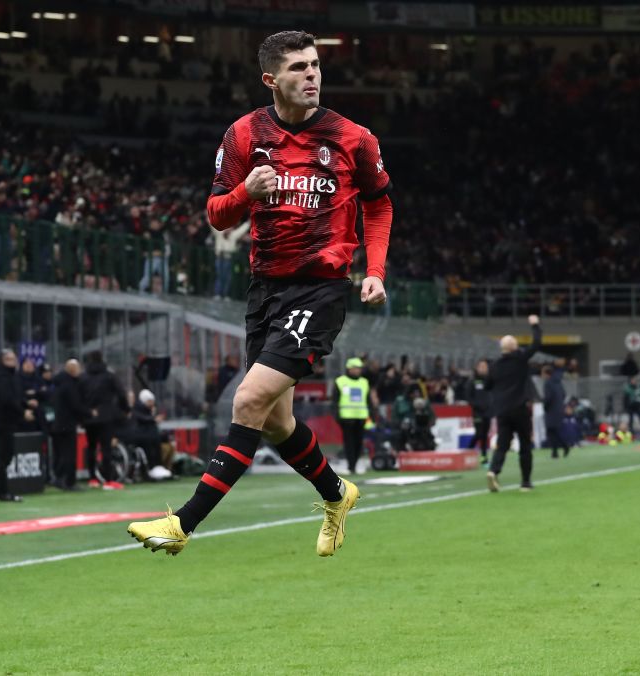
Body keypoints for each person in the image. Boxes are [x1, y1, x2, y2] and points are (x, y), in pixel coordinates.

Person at [129, 30, 392, 557]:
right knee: (275, 421)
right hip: (265, 288)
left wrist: (375, 269)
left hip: (320, 289)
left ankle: (182, 524)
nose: (312, 75)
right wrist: (245, 193)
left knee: (248, 400)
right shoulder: (245, 134)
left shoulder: (352, 138)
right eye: (299, 68)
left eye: (315, 65)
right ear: (272, 79)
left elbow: (379, 204)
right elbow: (215, 215)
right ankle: (337, 494)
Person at [486, 315, 542, 493]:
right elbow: (536, 344)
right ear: (515, 347)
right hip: (520, 407)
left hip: (502, 409)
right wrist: (535, 325)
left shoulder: (494, 366)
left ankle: (493, 470)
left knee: (502, 444)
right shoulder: (520, 360)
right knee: (525, 445)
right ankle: (525, 482)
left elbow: (487, 385)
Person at [0, 349, 37, 502]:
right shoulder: (2, 377)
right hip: (2, 421)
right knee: (4, 456)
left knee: (5, 456)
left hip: (7, 421)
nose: (13, 361)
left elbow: (14, 396)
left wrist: (25, 403)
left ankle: (0, 490)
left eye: (14, 358)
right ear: (2, 361)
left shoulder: (10, 377)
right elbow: (7, 399)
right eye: (8, 359)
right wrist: (23, 412)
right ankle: (2, 491)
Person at [80, 351, 129, 489]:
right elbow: (121, 393)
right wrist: (125, 409)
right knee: (106, 448)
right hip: (106, 416)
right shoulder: (109, 376)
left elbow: (79, 397)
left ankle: (92, 479)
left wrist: (86, 413)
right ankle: (108, 480)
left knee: (91, 447)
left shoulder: (83, 377)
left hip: (89, 418)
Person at [49, 359, 87, 490]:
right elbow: (76, 405)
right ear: (72, 370)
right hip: (67, 424)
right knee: (69, 454)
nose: (80, 371)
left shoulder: (59, 383)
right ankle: (69, 481)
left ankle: (59, 478)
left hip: (58, 424)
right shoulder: (69, 385)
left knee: (61, 453)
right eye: (78, 368)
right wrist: (89, 413)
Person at [332, 357, 372, 474]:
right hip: (346, 418)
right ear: (349, 369)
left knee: (359, 443)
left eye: (359, 368)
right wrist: (337, 416)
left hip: (361, 417)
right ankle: (351, 466)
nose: (358, 370)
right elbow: (335, 400)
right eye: (355, 368)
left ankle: (354, 464)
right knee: (349, 443)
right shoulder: (340, 381)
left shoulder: (364, 382)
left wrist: (371, 415)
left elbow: (368, 400)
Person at [465, 359, 492, 465]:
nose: (483, 368)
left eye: (485, 366)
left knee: (485, 435)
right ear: (477, 367)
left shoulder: (489, 381)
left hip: (488, 411)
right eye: (481, 366)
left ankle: (484, 457)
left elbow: (492, 394)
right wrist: (477, 406)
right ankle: (468, 451)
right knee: (479, 434)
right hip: (477, 412)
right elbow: (468, 397)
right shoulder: (472, 381)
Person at [541, 364, 569, 459]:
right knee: (555, 431)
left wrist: (545, 406)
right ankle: (559, 449)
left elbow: (548, 398)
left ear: (546, 373)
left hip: (551, 410)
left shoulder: (548, 383)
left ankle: (557, 450)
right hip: (559, 409)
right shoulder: (558, 382)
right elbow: (564, 394)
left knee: (551, 431)